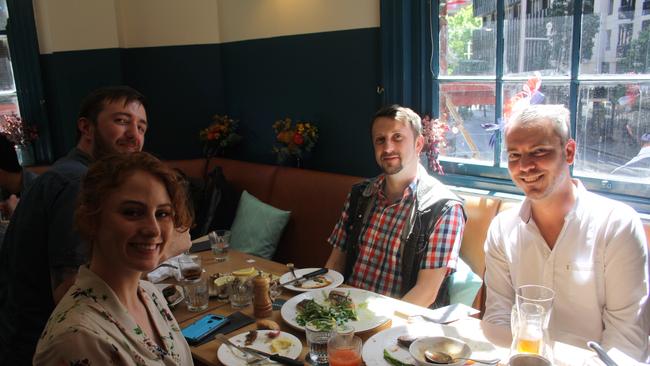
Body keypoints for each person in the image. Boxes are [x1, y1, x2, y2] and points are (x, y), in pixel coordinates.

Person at [0, 86, 191, 364]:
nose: (134, 136)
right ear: (86, 128)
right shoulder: (76, 183)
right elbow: (67, 289)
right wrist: (161, 246)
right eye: (122, 121)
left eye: (141, 126)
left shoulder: (149, 296)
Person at [483, 104, 649, 360]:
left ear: (569, 152)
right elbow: (498, 319)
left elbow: (625, 341)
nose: (525, 166)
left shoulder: (616, 224)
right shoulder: (502, 229)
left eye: (539, 151)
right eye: (514, 155)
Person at [33, 152, 194, 365]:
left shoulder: (150, 293)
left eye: (162, 213)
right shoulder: (78, 338)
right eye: (132, 212)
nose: (153, 229)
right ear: (91, 220)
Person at [325, 104, 466, 308]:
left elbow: (426, 293)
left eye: (397, 137)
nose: (388, 148)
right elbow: (335, 263)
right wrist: (326, 308)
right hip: (346, 313)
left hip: (398, 326)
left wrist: (374, 326)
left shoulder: (445, 208)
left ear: (418, 144)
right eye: (380, 140)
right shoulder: (359, 194)